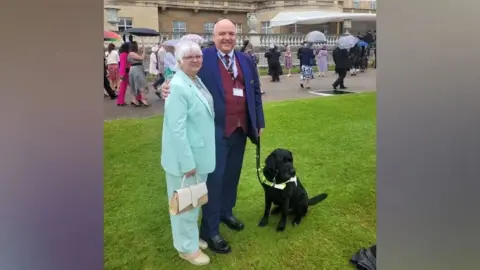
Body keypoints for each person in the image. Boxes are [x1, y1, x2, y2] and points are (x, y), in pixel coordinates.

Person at [160, 19, 265, 254]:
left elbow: (255, 91)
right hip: (213, 133)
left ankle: (227, 212)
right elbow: (178, 77)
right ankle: (210, 230)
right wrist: (164, 87)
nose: (227, 38)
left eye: (231, 33)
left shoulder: (246, 59)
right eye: (222, 34)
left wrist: (259, 121)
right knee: (213, 183)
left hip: (240, 129)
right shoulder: (202, 57)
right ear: (214, 36)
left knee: (232, 176)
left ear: (236, 36)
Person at [161, 41, 215, 266]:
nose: (195, 60)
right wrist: (187, 162)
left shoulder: (194, 79)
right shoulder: (178, 85)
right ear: (179, 61)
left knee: (194, 203)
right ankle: (186, 249)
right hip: (186, 159)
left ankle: (191, 239)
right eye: (189, 56)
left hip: (198, 154)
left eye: (198, 56)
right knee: (185, 206)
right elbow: (176, 128)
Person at [128, 41, 149, 107]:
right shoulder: (131, 53)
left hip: (137, 69)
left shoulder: (134, 53)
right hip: (136, 69)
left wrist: (142, 51)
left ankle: (135, 100)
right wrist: (144, 51)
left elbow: (143, 58)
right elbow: (141, 58)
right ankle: (142, 100)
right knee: (140, 83)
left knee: (137, 84)